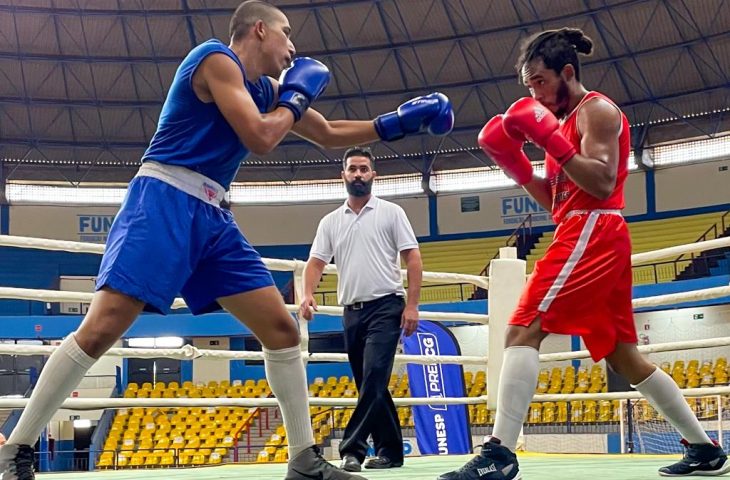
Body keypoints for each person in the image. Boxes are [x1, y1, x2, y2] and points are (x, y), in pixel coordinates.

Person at [0, 2, 453, 479]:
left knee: (281, 330)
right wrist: (293, 100)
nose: (294, 47)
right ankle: (18, 447)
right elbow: (260, 136)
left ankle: (303, 460)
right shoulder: (214, 60)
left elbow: (328, 132)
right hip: (165, 198)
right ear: (260, 30)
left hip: (213, 214)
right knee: (101, 329)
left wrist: (398, 122)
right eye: (286, 33)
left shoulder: (268, 90)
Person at [438, 28, 730, 480]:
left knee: (521, 331)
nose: (533, 93)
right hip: (583, 225)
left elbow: (600, 182)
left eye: (539, 81)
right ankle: (703, 447)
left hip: (592, 229)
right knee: (624, 357)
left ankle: (499, 452)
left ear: (567, 73)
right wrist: (515, 165)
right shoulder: (563, 124)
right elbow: (558, 202)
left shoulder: (597, 110)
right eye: (529, 86)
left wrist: (549, 140)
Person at [299, 146, 423, 472]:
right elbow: (315, 263)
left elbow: (413, 258)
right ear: (343, 175)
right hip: (351, 311)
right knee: (370, 383)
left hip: (387, 306)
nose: (358, 174)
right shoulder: (330, 221)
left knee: (373, 376)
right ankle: (392, 451)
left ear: (373, 175)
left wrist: (412, 305)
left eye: (363, 169)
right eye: (352, 169)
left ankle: (351, 449)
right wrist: (307, 294)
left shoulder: (392, 212)